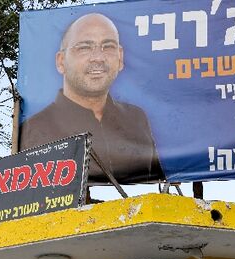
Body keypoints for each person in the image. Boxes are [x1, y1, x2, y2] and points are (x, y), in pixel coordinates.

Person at [19, 12, 165, 185]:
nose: (98, 57)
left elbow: (156, 184)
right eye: (84, 47)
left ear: (120, 58)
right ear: (61, 61)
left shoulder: (136, 119)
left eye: (108, 46)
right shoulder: (34, 130)